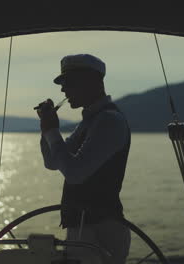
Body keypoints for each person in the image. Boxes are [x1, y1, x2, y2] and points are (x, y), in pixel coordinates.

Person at [36, 54, 131, 264]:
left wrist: (51, 130)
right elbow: (52, 163)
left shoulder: (108, 121)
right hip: (83, 228)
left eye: (68, 83)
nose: (63, 90)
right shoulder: (91, 120)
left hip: (101, 230)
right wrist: (47, 131)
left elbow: (75, 174)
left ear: (91, 82)